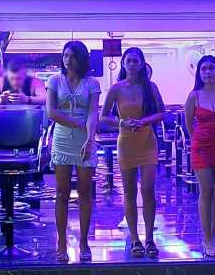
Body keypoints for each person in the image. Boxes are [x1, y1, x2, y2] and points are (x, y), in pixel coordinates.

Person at [100, 47, 165, 258]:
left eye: (135, 61)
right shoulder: (116, 88)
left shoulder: (150, 87)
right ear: (123, 64)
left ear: (142, 64)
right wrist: (122, 122)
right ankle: (135, 238)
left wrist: (144, 120)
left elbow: (162, 113)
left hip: (147, 141)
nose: (132, 65)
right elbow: (103, 117)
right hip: (126, 142)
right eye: (128, 61)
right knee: (129, 191)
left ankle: (149, 238)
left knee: (148, 189)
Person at [46, 41, 100, 263]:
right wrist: (79, 125)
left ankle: (85, 241)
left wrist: (89, 137)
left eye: (73, 56)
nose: (68, 60)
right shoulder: (54, 80)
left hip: (86, 139)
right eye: (65, 55)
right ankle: (61, 242)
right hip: (62, 139)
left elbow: (93, 113)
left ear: (82, 59)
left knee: (86, 193)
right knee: (62, 192)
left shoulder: (92, 83)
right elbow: (51, 112)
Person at [184, 55, 215, 257]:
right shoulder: (193, 95)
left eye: (212, 68)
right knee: (207, 189)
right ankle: (207, 238)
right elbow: (188, 124)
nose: (208, 72)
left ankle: (213, 233)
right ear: (199, 73)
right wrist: (196, 140)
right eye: (204, 69)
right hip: (201, 145)